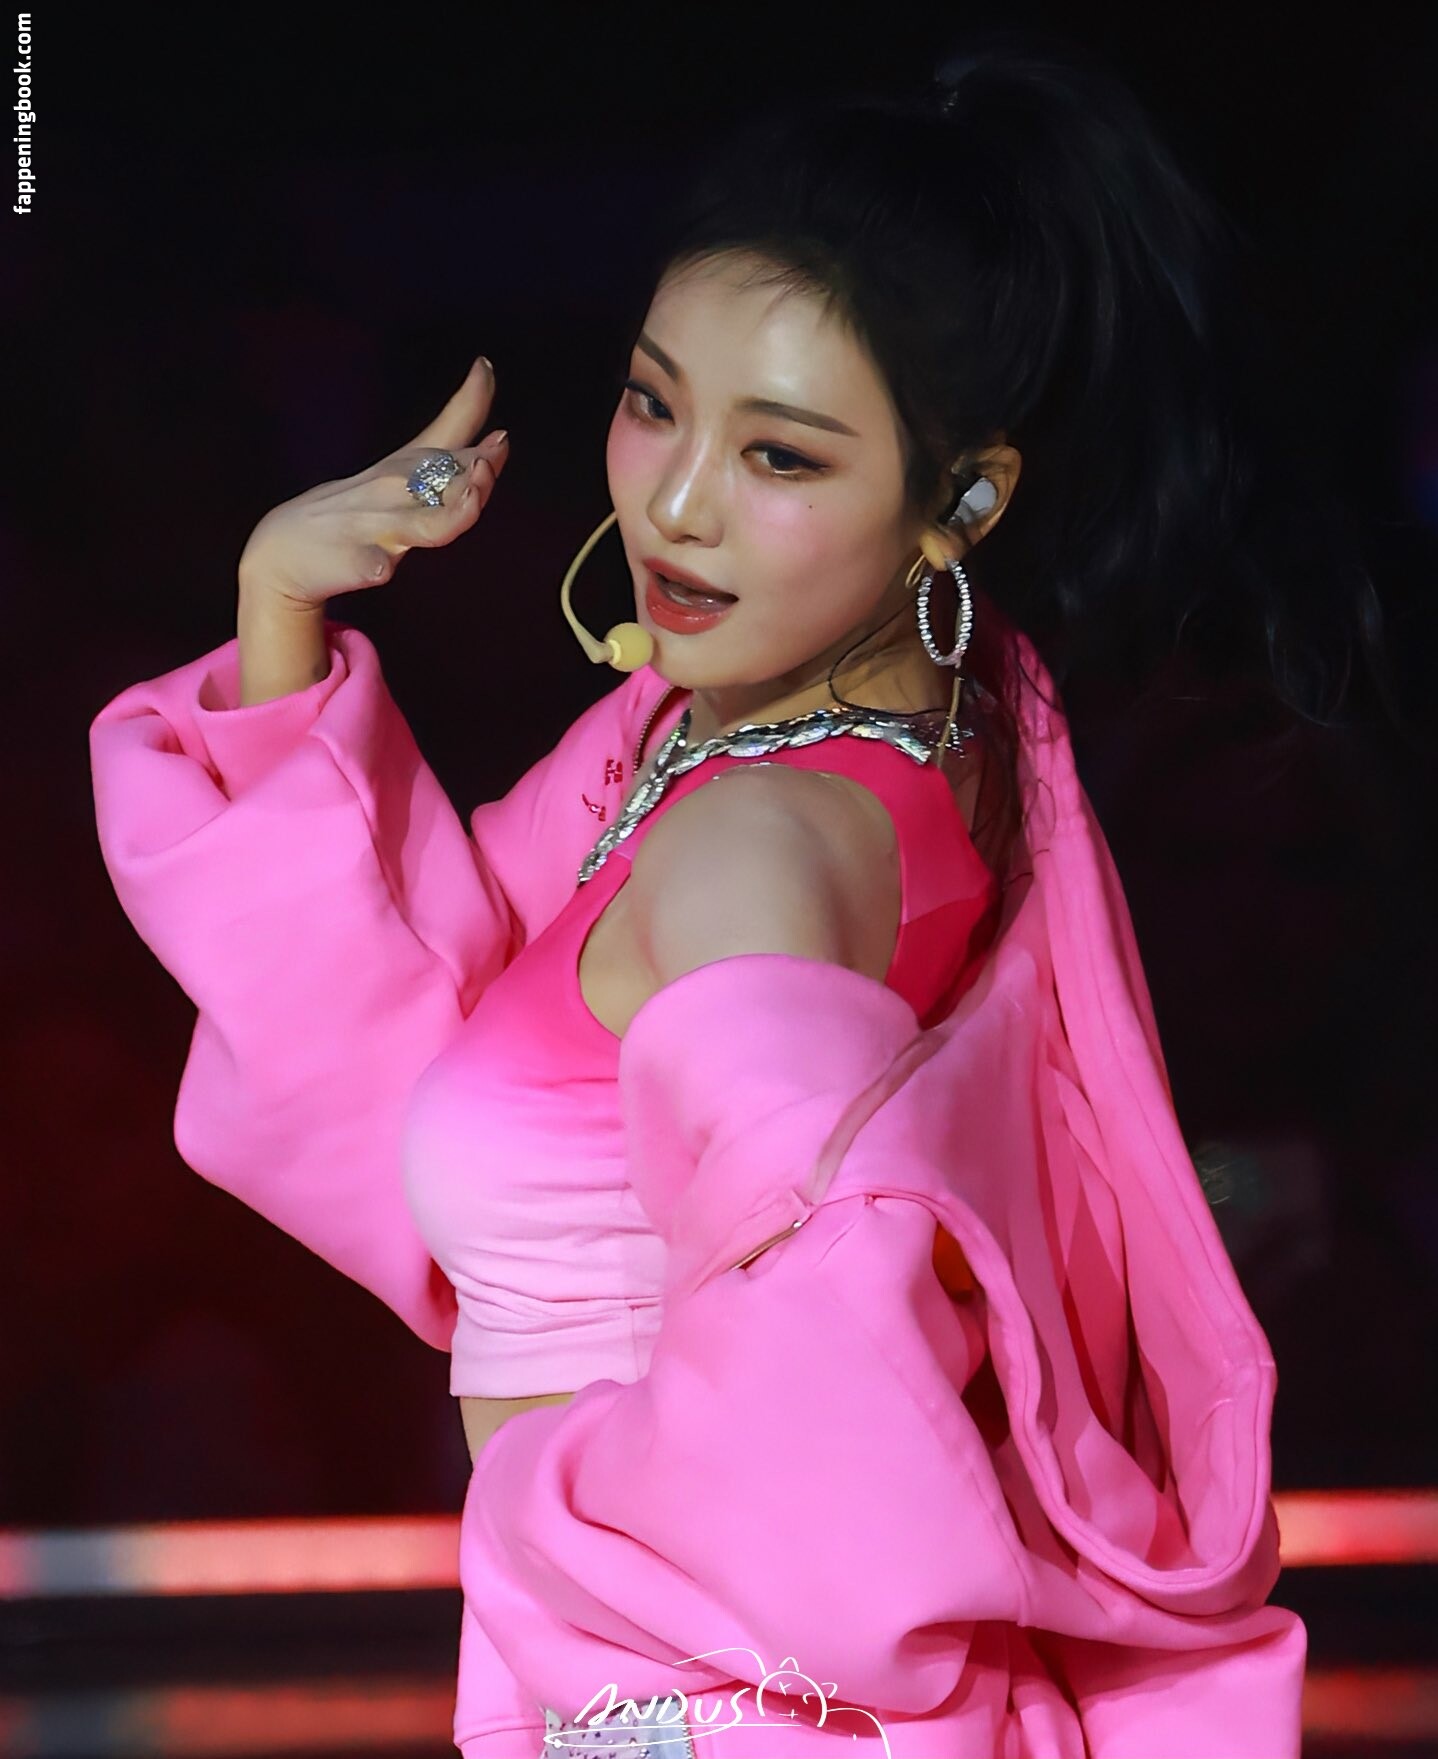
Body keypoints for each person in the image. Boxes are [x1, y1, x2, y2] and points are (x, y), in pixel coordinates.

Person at [90, 27, 1390, 1758]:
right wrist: (281, 607)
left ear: (962, 496)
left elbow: (824, 1400)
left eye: (781, 456)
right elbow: (391, 1020)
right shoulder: (753, 743)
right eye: (653, 402)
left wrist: (539, 1527)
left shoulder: (752, 843)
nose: (677, 504)